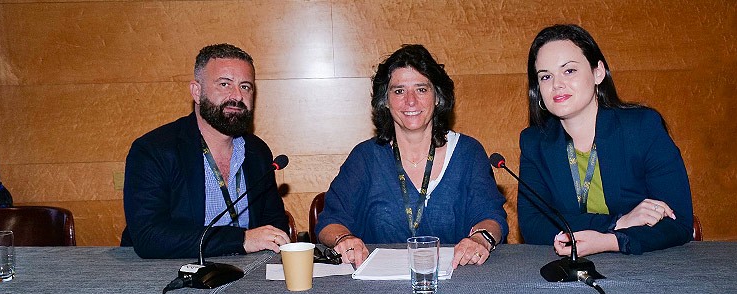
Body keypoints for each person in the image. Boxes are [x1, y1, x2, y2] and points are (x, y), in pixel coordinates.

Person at [315, 44, 508, 268]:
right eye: (399, 91)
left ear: (437, 97)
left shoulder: (468, 153)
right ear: (385, 101)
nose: (410, 101)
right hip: (378, 285)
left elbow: (492, 218)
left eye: (421, 89)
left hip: (458, 281)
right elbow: (330, 222)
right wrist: (344, 239)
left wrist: (480, 239)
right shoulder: (365, 158)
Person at [519, 24, 694, 256]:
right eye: (545, 76)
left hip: (644, 264)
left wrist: (611, 241)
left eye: (569, 71)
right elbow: (533, 226)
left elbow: (678, 223)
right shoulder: (534, 143)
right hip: (569, 268)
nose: (556, 84)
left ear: (598, 72)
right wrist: (618, 222)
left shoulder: (642, 128)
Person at [121, 44, 290, 259]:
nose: (237, 96)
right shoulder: (153, 151)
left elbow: (274, 223)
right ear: (197, 91)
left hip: (245, 271)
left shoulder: (257, 151)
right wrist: (241, 240)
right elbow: (149, 236)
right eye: (224, 84)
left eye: (245, 86)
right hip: (170, 271)